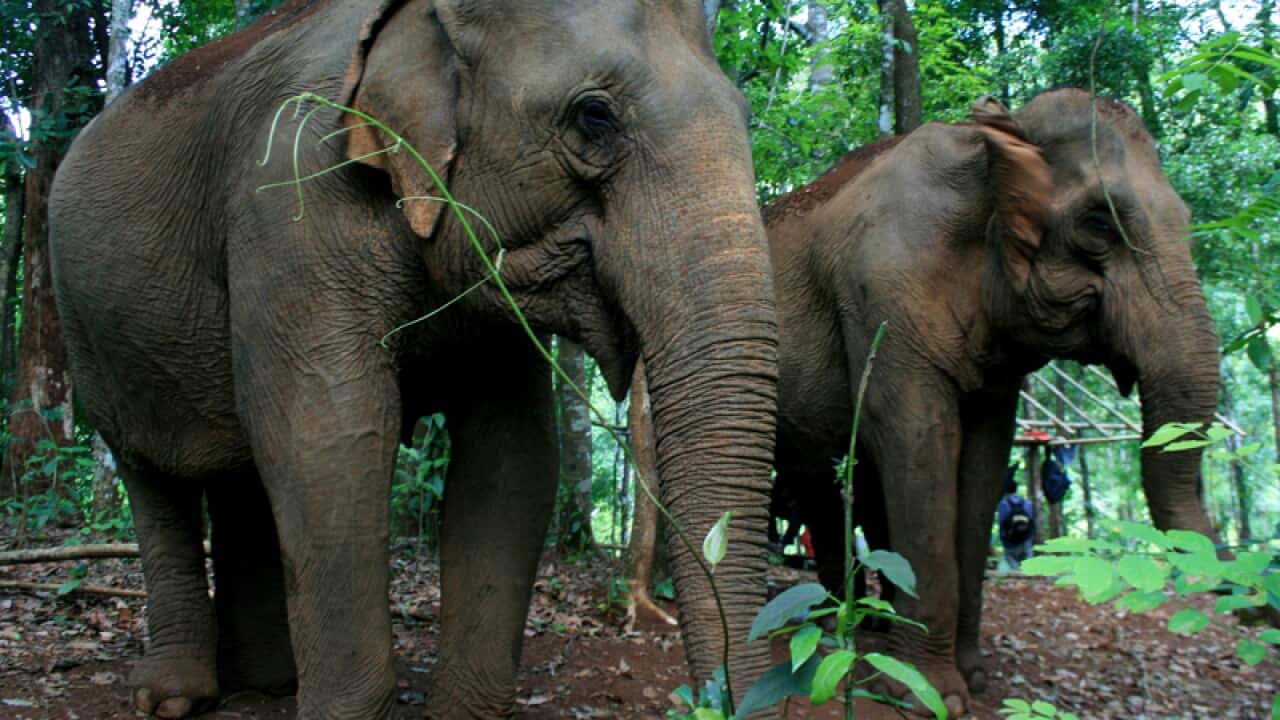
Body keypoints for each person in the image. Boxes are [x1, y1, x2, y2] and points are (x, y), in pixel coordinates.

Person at [997, 487, 1036, 570]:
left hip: (1010, 541)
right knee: (1027, 558)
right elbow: (1032, 522)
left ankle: (1017, 572)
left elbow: (1001, 523)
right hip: (1026, 539)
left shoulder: (1003, 504)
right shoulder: (1027, 503)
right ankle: (1027, 573)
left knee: (1009, 556)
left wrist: (1003, 538)